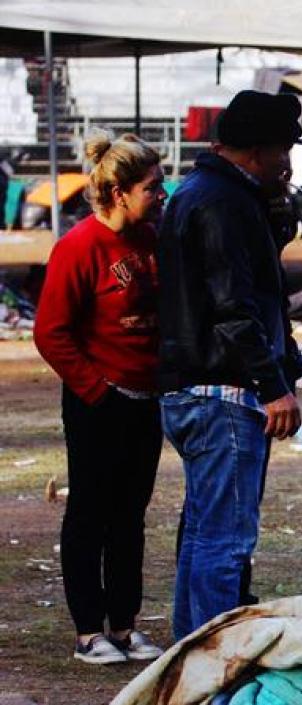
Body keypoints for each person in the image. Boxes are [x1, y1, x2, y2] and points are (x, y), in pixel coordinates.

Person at [157, 90, 302, 640]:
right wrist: (272, 384)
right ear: (258, 150)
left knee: (202, 532)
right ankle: (214, 667)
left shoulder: (202, 193)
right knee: (225, 540)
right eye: (284, 149)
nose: (288, 162)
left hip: (192, 387)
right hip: (225, 390)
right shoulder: (223, 203)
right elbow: (232, 302)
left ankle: (190, 657)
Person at [33, 131, 167, 664]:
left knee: (130, 515)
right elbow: (51, 331)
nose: (161, 194)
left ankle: (125, 624)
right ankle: (89, 630)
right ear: (119, 192)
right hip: (99, 400)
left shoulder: (150, 240)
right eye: (152, 187)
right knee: (90, 513)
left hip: (145, 397)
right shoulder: (79, 247)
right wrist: (95, 389)